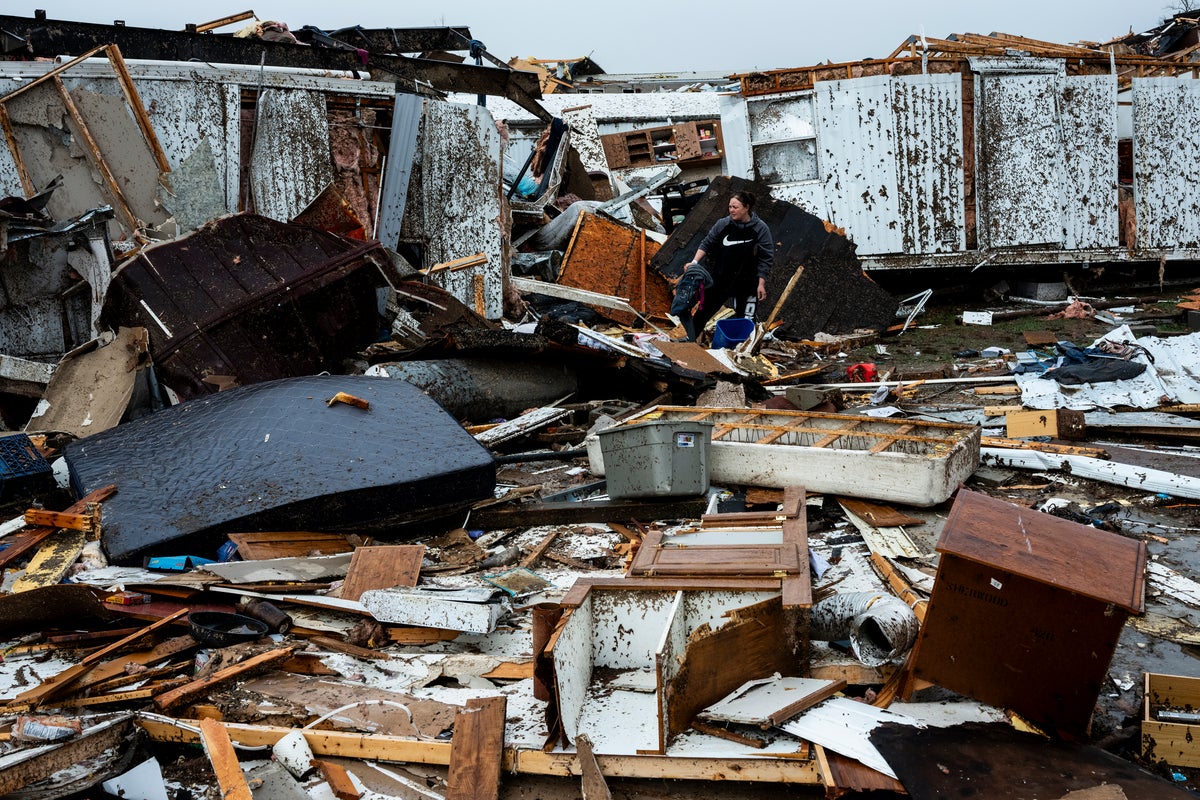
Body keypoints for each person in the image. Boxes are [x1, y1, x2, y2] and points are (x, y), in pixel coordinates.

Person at [672, 191, 774, 342]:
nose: (731, 210)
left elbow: (766, 258)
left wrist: (761, 283)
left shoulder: (760, 228)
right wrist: (694, 263)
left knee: (746, 318)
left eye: (735, 207)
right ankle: (690, 339)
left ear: (746, 207)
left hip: (747, 281)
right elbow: (706, 243)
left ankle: (745, 348)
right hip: (720, 278)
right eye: (730, 206)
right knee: (703, 311)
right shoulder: (723, 224)